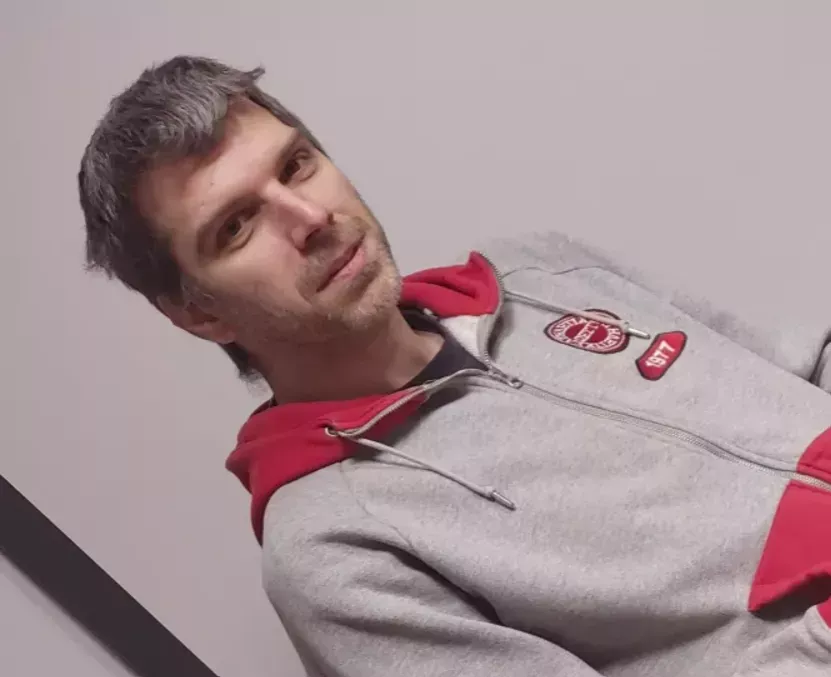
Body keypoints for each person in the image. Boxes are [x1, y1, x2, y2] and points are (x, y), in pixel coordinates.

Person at [78, 55, 831, 676]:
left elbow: (799, 362)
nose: (310, 218)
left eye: (297, 165)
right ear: (199, 314)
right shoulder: (332, 552)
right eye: (238, 225)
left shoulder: (540, 270)